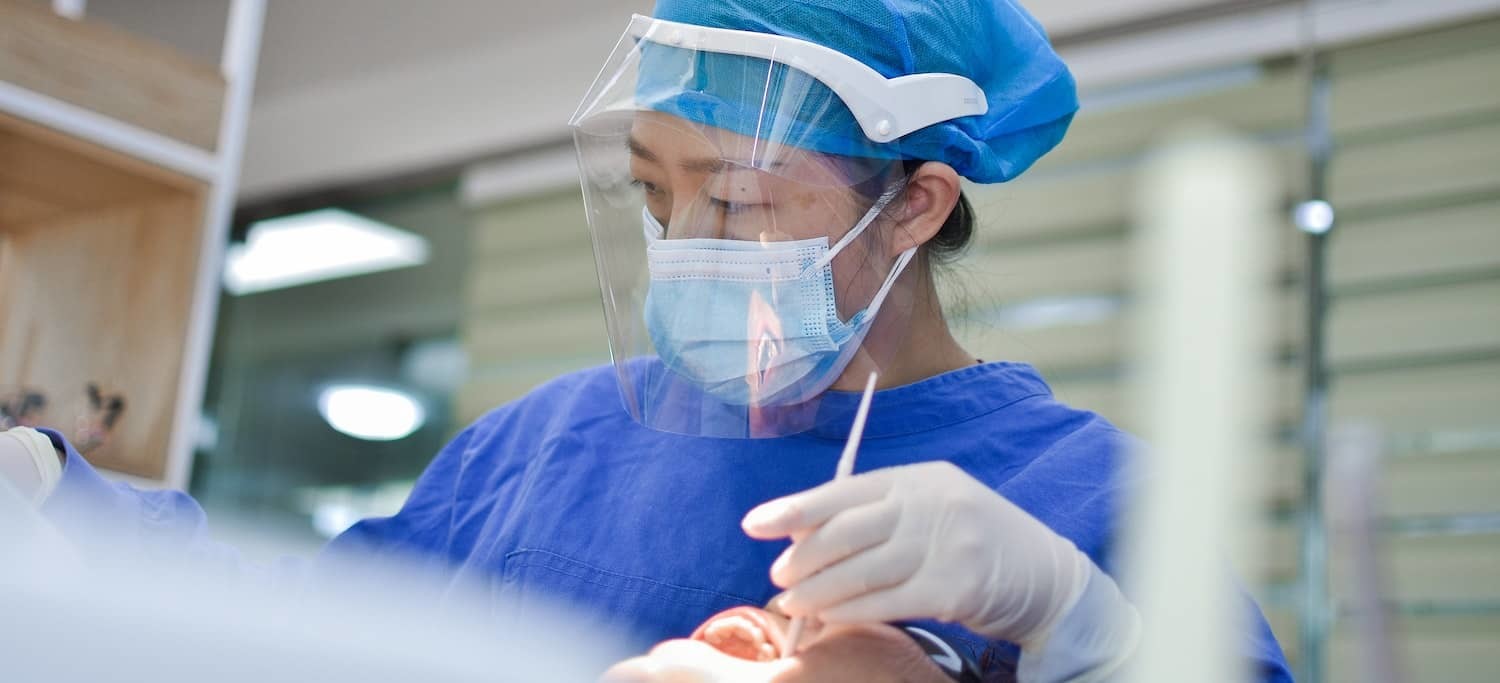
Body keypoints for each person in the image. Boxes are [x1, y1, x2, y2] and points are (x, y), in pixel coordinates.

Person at [2, 1, 1293, 680]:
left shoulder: (1090, 503)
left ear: (915, 202)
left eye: (735, 199)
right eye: (654, 193)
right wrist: (61, 496)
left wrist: (1081, 628)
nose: (684, 243)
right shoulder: (550, 441)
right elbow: (314, 637)